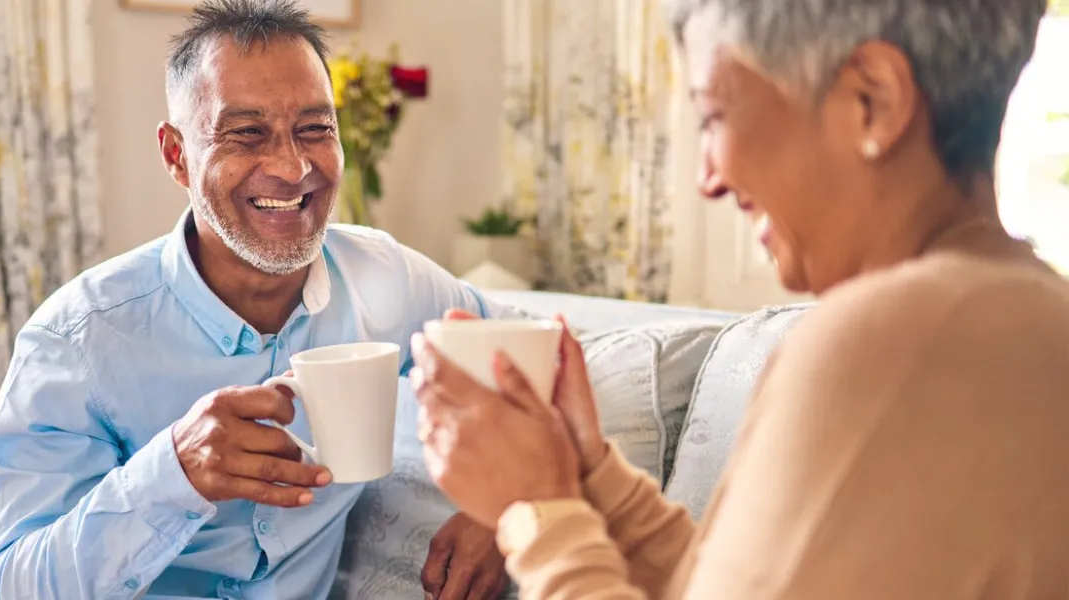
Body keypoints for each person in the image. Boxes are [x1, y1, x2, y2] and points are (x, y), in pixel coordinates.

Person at [410, 0, 1069, 598]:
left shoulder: (889, 338)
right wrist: (588, 476)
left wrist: (534, 510)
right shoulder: (1030, 316)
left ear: (873, 98)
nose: (707, 178)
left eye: (715, 114)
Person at [0, 1, 510, 598]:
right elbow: (5, 588)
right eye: (247, 133)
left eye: (314, 129)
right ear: (177, 154)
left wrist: (504, 506)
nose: (291, 166)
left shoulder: (386, 278)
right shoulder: (78, 341)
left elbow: (532, 357)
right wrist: (171, 473)